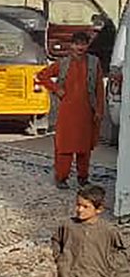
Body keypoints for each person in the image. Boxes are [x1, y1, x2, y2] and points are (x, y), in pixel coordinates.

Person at [37, 31, 105, 189]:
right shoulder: (63, 63)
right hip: (67, 112)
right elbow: (42, 75)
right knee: (65, 147)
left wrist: (99, 110)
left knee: (84, 148)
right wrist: (56, 89)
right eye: (77, 44)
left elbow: (99, 88)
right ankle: (61, 178)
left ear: (87, 45)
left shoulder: (94, 63)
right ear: (71, 45)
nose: (80, 47)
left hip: (87, 111)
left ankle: (83, 178)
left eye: (84, 44)